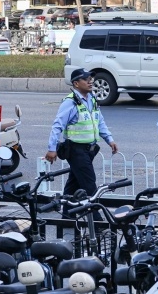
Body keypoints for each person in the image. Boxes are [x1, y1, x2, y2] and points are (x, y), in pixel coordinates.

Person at [45, 68, 119, 217]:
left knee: (74, 183)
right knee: (89, 184)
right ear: (76, 83)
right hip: (76, 150)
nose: (91, 81)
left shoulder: (91, 99)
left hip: (89, 150)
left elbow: (99, 121)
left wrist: (109, 139)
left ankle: (67, 215)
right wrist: (52, 148)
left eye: (91, 78)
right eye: (86, 79)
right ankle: (97, 221)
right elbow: (57, 125)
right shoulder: (70, 102)